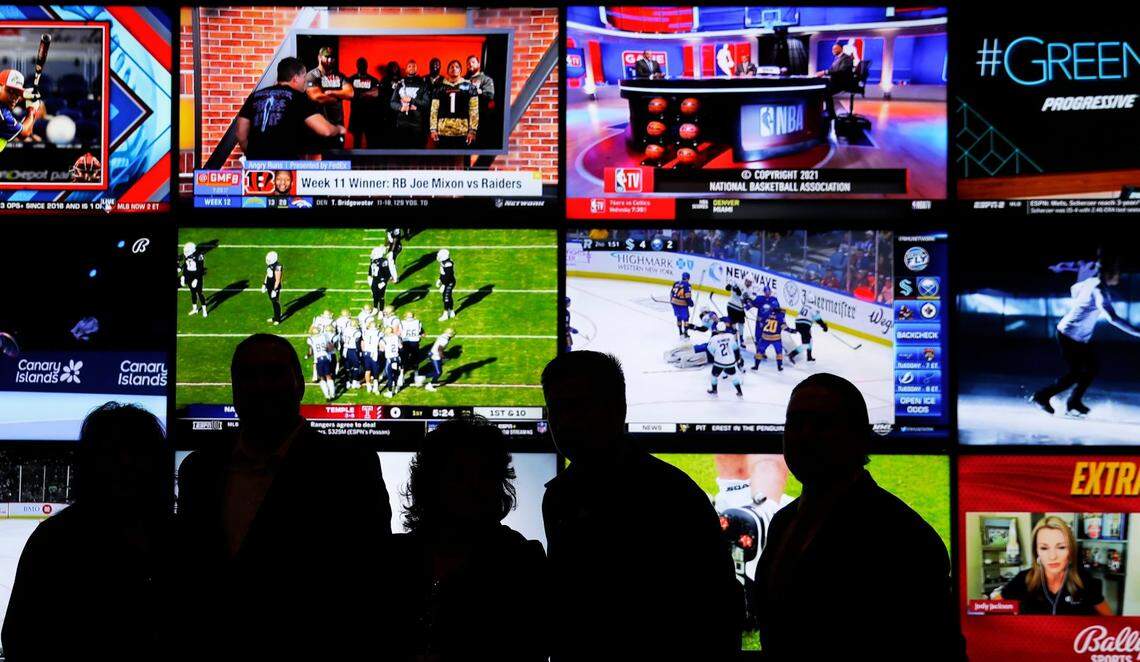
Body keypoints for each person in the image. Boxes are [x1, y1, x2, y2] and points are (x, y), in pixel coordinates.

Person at [175, 334, 391, 660]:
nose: (261, 386)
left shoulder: (349, 467)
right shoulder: (199, 468)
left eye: (274, 373)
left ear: (300, 384)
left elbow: (370, 579)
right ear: (234, 389)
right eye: (248, 376)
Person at [541, 351, 740, 661]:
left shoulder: (673, 496)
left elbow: (718, 612)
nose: (565, 421)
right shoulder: (558, 497)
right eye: (556, 409)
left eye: (578, 406)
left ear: (616, 409)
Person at [752, 373, 961, 661]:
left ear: (859, 438)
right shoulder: (783, 522)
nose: (805, 435)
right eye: (796, 422)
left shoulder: (902, 536)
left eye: (822, 424)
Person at [3, 403, 172, 661]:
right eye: (114, 455)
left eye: (136, 454)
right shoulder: (53, 542)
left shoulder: (182, 540)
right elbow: (19, 638)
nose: (125, 465)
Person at [386, 416, 548, 661]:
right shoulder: (391, 558)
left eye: (483, 474)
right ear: (431, 482)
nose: (472, 487)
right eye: (458, 474)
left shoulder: (521, 561)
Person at [1031, 256, 1140, 417]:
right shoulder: (1099, 290)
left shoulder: (1090, 283)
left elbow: (1074, 289)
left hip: (1078, 337)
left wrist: (1080, 302)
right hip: (1069, 335)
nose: (1118, 276)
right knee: (1076, 373)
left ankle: (1073, 401)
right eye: (1116, 273)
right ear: (1109, 274)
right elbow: (1112, 318)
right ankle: (1042, 396)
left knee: (1091, 368)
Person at [991, 516, 1112, 616]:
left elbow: (1109, 618)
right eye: (1044, 548)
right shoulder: (1023, 579)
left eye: (1061, 547)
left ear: (1070, 551)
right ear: (1036, 551)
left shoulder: (1085, 580)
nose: (1052, 556)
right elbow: (989, 609)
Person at [236, 57, 344, 160]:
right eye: (304, 77)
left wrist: (254, 154)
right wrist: (338, 129)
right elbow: (325, 130)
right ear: (295, 78)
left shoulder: (255, 96)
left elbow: (241, 134)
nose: (305, 82)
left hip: (255, 167)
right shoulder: (299, 97)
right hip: (285, 166)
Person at [304, 47, 353, 151]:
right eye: (326, 57)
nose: (330, 60)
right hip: (319, 124)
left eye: (332, 57)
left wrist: (331, 92)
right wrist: (338, 97)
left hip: (337, 124)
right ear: (319, 57)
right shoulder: (312, 75)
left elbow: (350, 93)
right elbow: (316, 97)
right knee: (319, 157)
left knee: (338, 157)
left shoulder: (339, 76)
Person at [429, 60, 478, 148]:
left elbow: (474, 110)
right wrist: (433, 129)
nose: (454, 68)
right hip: (443, 131)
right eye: (451, 67)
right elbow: (434, 109)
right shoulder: (439, 87)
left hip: (462, 131)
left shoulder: (469, 87)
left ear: (460, 70)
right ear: (447, 71)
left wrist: (472, 130)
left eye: (457, 67)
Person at [391, 59, 429, 148]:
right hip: (402, 123)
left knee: (418, 152)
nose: (411, 68)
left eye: (414, 66)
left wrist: (412, 100)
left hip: (417, 124)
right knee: (402, 152)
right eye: (409, 66)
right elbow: (392, 102)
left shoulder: (423, 84)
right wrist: (401, 108)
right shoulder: (400, 84)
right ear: (406, 69)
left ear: (417, 69)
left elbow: (426, 103)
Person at [0, 69, 39, 152]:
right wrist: (32, 109)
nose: (14, 97)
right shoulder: (3, 114)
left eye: (18, 94)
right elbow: (24, 133)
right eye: (10, 91)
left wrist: (26, 95)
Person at [346, 56, 381, 148]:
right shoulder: (351, 79)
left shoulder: (373, 80)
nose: (362, 66)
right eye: (360, 64)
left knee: (371, 142)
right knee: (356, 142)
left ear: (367, 66)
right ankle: (356, 162)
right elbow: (348, 94)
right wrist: (368, 94)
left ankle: (370, 162)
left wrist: (361, 94)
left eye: (364, 64)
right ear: (357, 66)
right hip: (356, 115)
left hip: (370, 116)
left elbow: (377, 93)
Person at [815, 41, 853, 123]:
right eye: (832, 49)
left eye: (835, 48)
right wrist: (823, 73)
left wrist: (825, 72)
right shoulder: (837, 59)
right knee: (822, 88)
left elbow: (841, 71)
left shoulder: (846, 58)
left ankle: (831, 114)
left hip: (842, 83)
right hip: (836, 81)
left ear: (841, 48)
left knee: (825, 91)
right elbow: (833, 71)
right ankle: (826, 112)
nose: (833, 50)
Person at [466, 54, 496, 147]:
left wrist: (480, 92)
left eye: (473, 62)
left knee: (477, 146)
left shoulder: (486, 79)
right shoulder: (463, 79)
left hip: (480, 120)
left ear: (478, 64)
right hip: (465, 120)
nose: (470, 64)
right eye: (468, 63)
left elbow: (490, 96)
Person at [179, 241, 207, 318]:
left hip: (197, 275)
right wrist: (183, 276)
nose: (186, 252)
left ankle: (204, 309)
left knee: (199, 293)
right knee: (193, 292)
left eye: (187, 251)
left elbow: (200, 270)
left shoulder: (199, 256)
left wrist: (196, 279)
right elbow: (186, 266)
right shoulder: (188, 256)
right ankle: (195, 309)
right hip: (190, 275)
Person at [670, 271, 694, 338]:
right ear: (688, 278)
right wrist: (691, 303)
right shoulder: (687, 285)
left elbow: (671, 293)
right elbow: (687, 296)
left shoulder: (676, 283)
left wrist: (671, 300)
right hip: (682, 304)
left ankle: (680, 331)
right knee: (686, 318)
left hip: (674, 303)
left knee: (679, 317)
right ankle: (685, 333)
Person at [262, 250, 282, 325]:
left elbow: (277, 279)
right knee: (273, 302)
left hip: (274, 287)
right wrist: (264, 284)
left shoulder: (277, 267)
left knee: (275, 302)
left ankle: (278, 319)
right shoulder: (270, 265)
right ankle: (275, 317)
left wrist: (275, 290)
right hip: (269, 285)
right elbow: (267, 274)